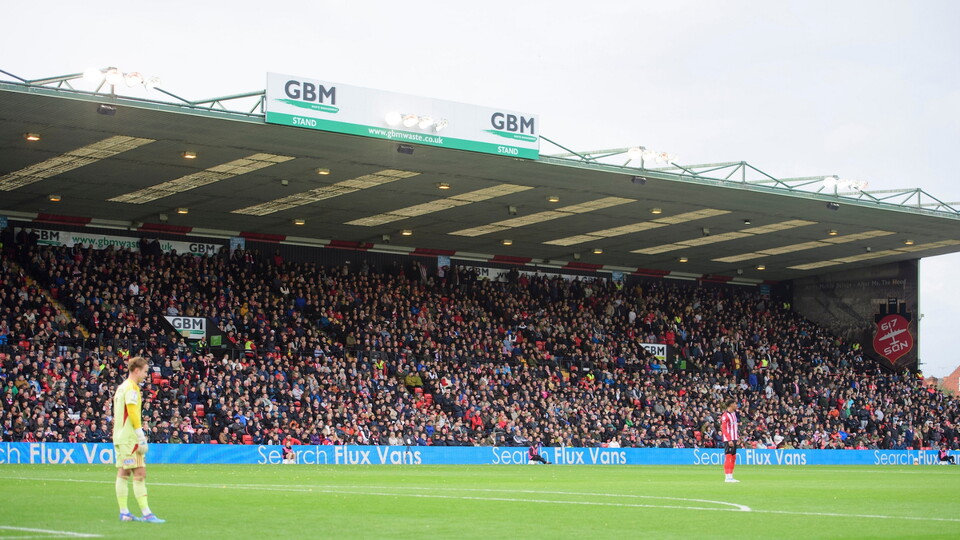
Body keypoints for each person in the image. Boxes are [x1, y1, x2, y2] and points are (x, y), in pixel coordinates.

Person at [113, 356, 165, 523]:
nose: (146, 375)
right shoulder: (132, 388)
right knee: (139, 472)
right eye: (145, 371)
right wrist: (140, 434)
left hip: (119, 436)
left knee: (124, 471)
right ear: (136, 370)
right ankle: (146, 513)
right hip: (129, 438)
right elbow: (132, 411)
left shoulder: (121, 387)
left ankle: (124, 512)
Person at [720, 399, 740, 483]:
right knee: (728, 457)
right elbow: (724, 428)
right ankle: (727, 477)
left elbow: (734, 427)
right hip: (729, 439)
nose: (736, 405)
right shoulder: (725, 416)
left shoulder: (734, 414)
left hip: (734, 438)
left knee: (733, 457)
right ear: (731, 405)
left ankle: (731, 476)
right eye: (735, 404)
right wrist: (729, 439)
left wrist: (737, 437)